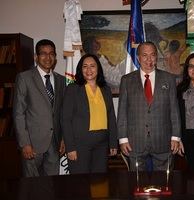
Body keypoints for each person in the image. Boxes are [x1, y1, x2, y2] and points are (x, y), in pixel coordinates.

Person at [117, 41, 181, 171]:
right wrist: (122, 139)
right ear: (138, 57)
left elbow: (174, 110)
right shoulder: (126, 80)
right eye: (144, 55)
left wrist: (176, 137)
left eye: (152, 55)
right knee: (136, 184)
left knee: (164, 184)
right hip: (135, 142)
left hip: (163, 141)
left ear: (156, 57)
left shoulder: (169, 79)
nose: (149, 59)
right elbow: (122, 112)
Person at [13, 39, 65, 177]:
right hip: (32, 144)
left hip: (55, 143)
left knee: (52, 185)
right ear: (36, 57)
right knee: (32, 186)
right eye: (43, 53)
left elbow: (61, 113)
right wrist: (24, 143)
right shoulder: (24, 78)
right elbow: (19, 113)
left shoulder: (61, 80)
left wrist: (63, 139)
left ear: (55, 57)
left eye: (51, 54)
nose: (48, 57)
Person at [62, 53, 117, 174]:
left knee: (100, 184)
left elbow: (111, 117)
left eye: (92, 66)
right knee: (80, 185)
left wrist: (113, 142)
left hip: (102, 146)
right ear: (80, 69)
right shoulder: (73, 89)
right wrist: (70, 147)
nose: (89, 70)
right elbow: (65, 120)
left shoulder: (106, 89)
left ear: (98, 68)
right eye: (85, 66)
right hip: (80, 146)